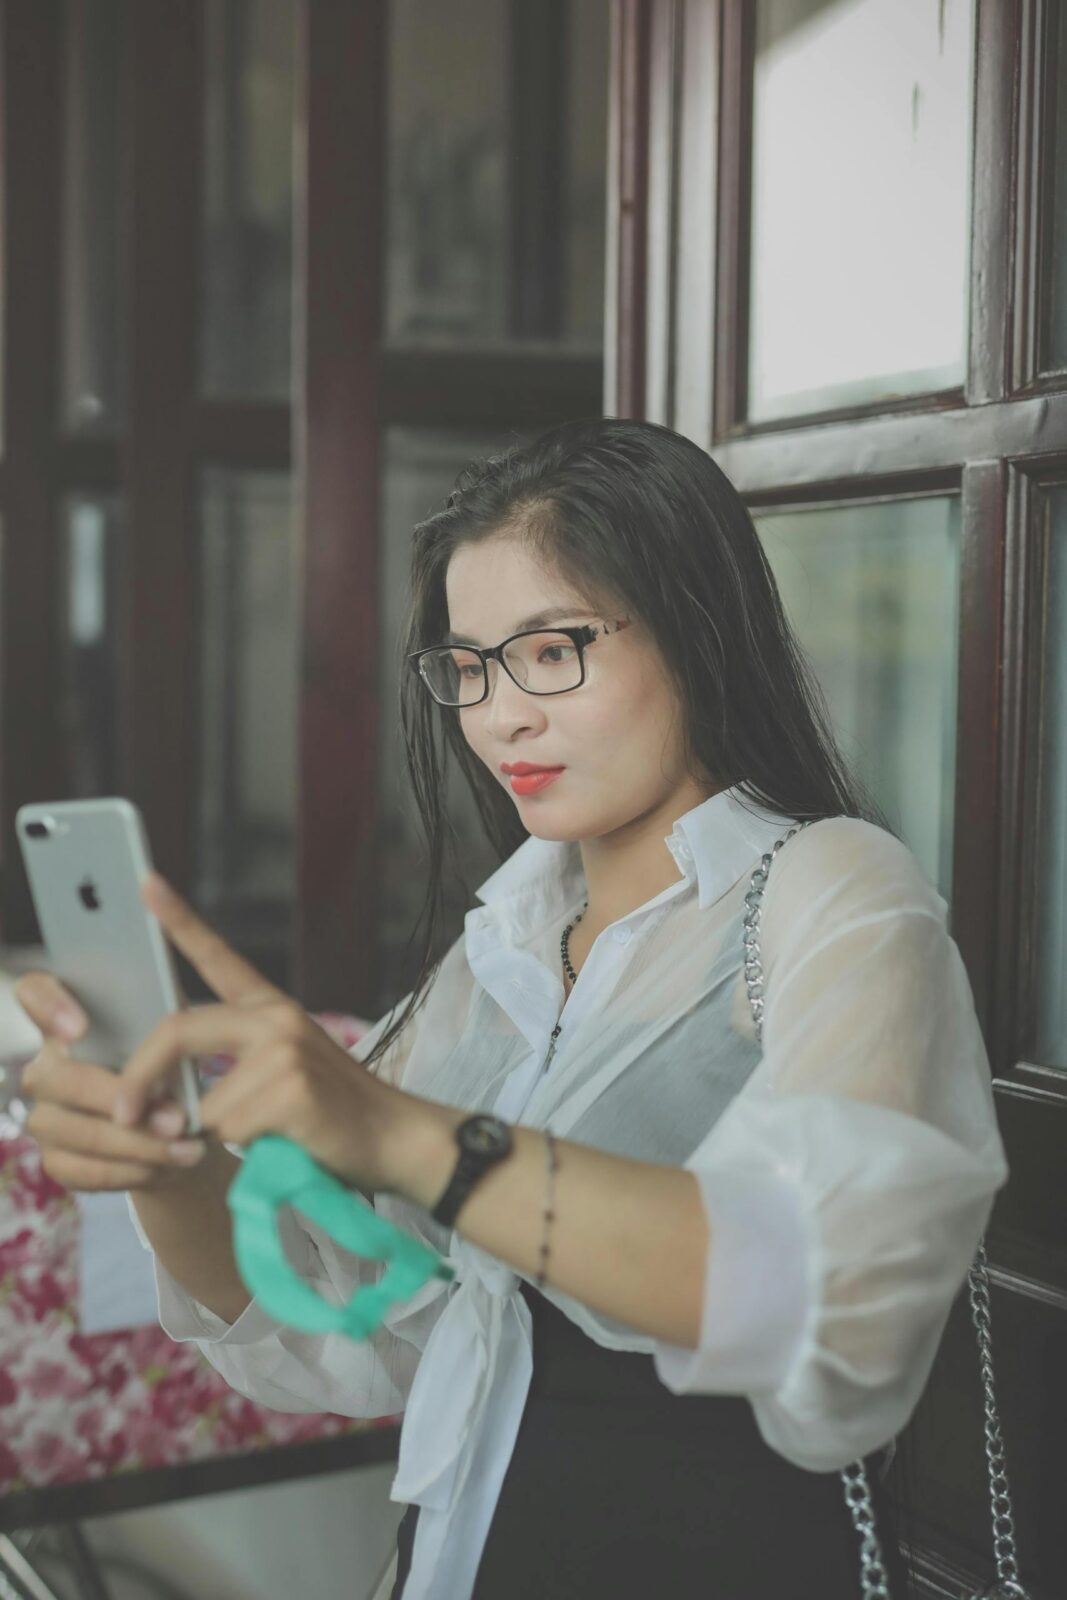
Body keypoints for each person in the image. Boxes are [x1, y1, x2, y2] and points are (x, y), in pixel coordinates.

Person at [17, 417, 1009, 1600]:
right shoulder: (504, 947)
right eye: (470, 665)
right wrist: (166, 1170)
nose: (498, 716)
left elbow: (835, 1292)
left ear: (698, 628)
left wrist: (405, 1135)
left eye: (550, 651)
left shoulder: (826, 888)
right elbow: (357, 1316)